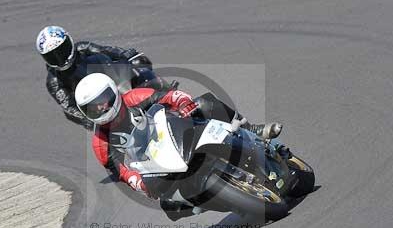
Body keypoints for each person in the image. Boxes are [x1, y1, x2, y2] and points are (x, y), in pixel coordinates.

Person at [74, 73, 282, 220]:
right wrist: (138, 183)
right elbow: (122, 172)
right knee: (169, 206)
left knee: (206, 103)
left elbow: (172, 96)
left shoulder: (135, 98)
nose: (102, 108)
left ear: (113, 93)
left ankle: (250, 128)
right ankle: (222, 200)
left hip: (178, 132)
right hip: (157, 165)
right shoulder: (101, 143)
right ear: (86, 113)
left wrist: (185, 104)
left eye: (103, 100)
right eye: (93, 107)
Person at [37, 25, 166, 130]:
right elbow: (69, 108)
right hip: (98, 106)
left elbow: (108, 51)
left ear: (69, 42)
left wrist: (128, 55)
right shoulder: (54, 82)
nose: (61, 58)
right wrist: (90, 121)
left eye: (62, 50)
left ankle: (168, 94)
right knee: (105, 137)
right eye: (52, 56)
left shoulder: (83, 48)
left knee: (139, 64)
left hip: (116, 82)